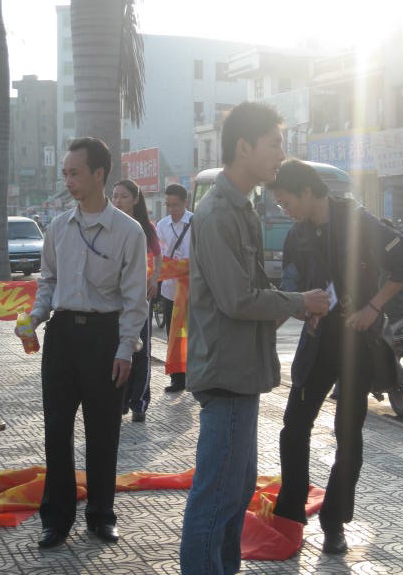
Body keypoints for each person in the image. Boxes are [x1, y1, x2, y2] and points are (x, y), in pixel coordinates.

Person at [180, 103, 330, 575]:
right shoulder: (217, 213)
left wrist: (294, 305)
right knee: (215, 498)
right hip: (226, 375)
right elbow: (238, 299)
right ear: (243, 147)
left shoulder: (242, 208)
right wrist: (300, 301)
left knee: (235, 493)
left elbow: (251, 291)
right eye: (274, 143)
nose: (281, 155)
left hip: (241, 373)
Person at [270, 159, 403, 554]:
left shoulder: (358, 222)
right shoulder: (297, 235)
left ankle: (334, 521)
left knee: (348, 435)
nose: (285, 210)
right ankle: (289, 517)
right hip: (316, 341)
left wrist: (373, 307)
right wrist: (300, 309)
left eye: (287, 202)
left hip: (357, 341)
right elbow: (290, 283)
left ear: (308, 192)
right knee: (293, 426)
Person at [21, 137, 148, 549]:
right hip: (61, 337)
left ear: (99, 174)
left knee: (103, 431)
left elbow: (135, 299)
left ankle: (101, 515)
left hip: (104, 338)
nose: (68, 181)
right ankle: (56, 519)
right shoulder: (59, 227)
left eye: (75, 173)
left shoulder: (128, 232)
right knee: (57, 431)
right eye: (65, 174)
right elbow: (48, 281)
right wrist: (35, 318)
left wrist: (125, 349)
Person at [112, 179, 162, 422]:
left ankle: (139, 403)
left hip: (141, 296)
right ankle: (119, 401)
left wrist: (154, 279)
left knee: (141, 349)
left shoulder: (145, 227)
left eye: (123, 196)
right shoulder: (109, 225)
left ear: (135, 199)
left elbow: (159, 256)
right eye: (115, 196)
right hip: (114, 297)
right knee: (117, 347)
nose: (118, 201)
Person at [156, 183, 193, 392]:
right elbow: (159, 256)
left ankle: (195, 376)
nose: (171, 209)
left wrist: (185, 266)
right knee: (174, 334)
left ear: (185, 203)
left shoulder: (196, 223)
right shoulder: (162, 226)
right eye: (168, 205)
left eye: (175, 205)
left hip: (193, 290)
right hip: (170, 290)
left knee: (194, 334)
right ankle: (177, 378)